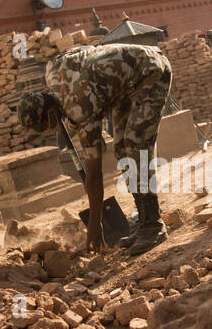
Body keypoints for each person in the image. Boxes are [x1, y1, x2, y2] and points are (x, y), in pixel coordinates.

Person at [16, 42, 173, 256]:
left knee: (136, 145)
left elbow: (94, 174)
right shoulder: (52, 72)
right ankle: (145, 221)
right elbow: (82, 50)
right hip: (124, 84)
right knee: (121, 150)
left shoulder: (79, 107)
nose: (49, 132)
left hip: (150, 72)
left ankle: (153, 225)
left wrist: (94, 222)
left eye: (45, 127)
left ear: (51, 114)